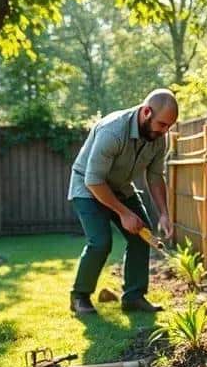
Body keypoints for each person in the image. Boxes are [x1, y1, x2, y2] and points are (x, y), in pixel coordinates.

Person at [67, 89, 178, 315]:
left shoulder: (158, 138)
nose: (165, 131)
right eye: (162, 124)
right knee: (100, 242)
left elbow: (155, 176)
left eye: (169, 126)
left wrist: (164, 213)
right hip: (88, 187)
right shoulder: (113, 131)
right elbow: (94, 180)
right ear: (146, 112)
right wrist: (124, 213)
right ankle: (79, 297)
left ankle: (134, 297)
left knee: (142, 235)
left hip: (120, 186)